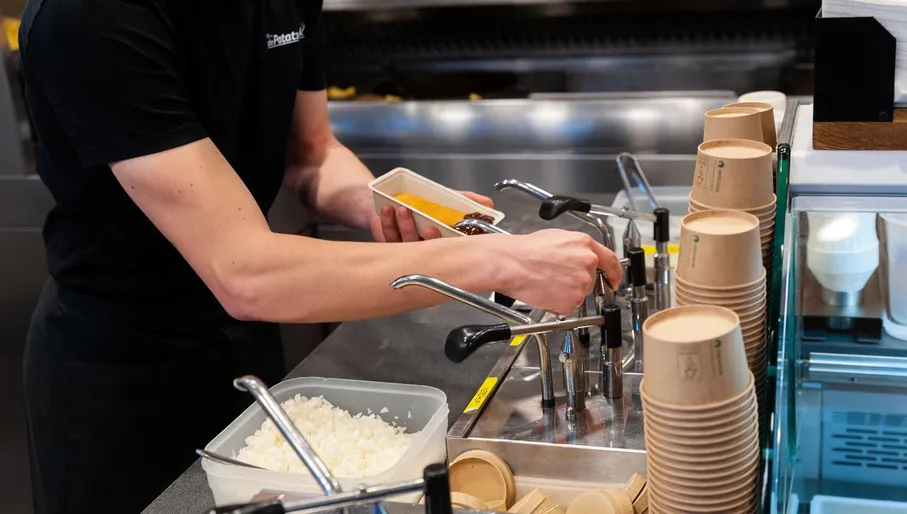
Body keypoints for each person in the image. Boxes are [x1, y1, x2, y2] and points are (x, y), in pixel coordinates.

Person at [17, 0, 623, 513]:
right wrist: (499, 262)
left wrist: (388, 202)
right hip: (122, 376)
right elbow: (245, 273)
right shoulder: (93, 16)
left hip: (245, 348)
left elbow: (311, 153)